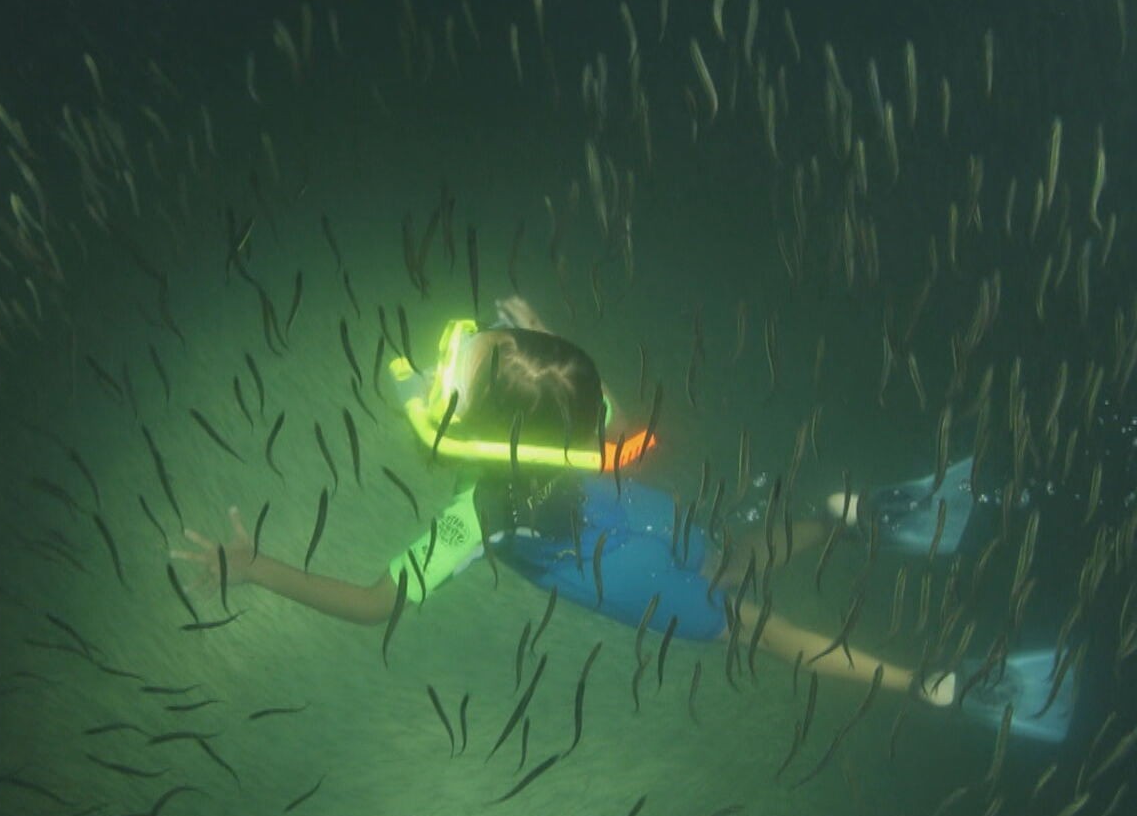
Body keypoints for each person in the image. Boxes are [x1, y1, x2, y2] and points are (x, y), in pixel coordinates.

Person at [173, 297, 1077, 739]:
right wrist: (550, 343)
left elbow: (377, 602)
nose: (443, 366)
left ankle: (934, 685)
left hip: (633, 581)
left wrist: (255, 569)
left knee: (762, 629)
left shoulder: (485, 510)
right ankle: (848, 516)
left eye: (461, 366)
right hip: (647, 517)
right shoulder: (581, 425)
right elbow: (620, 429)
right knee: (731, 553)